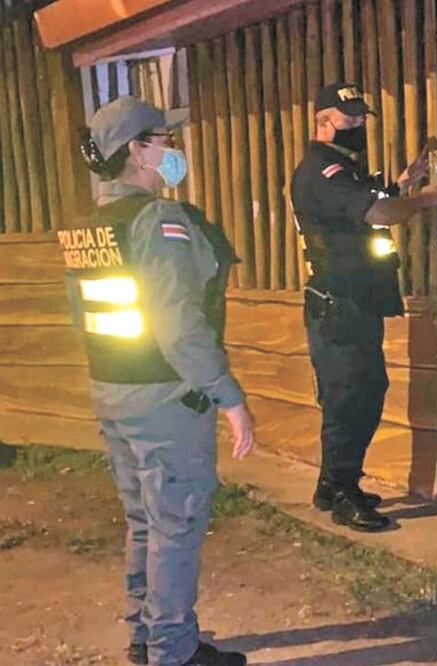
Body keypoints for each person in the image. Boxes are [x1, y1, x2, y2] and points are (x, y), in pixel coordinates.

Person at [61, 96, 255, 665]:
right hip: (166, 400)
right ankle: (173, 651)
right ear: (137, 151)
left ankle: (146, 637)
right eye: (163, 140)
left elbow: (82, 318)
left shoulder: (86, 225)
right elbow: (180, 325)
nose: (171, 149)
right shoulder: (157, 220)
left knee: (144, 520)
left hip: (114, 392)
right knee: (175, 523)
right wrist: (230, 397)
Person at [291, 83, 437, 532]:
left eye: (362, 117)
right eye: (349, 118)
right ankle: (344, 493)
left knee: (352, 396)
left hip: (353, 302)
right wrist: (426, 199)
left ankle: (332, 484)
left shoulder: (341, 169)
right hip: (340, 306)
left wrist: (406, 180)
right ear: (323, 121)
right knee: (352, 398)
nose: (359, 124)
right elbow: (376, 214)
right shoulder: (321, 173)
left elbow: (370, 200)